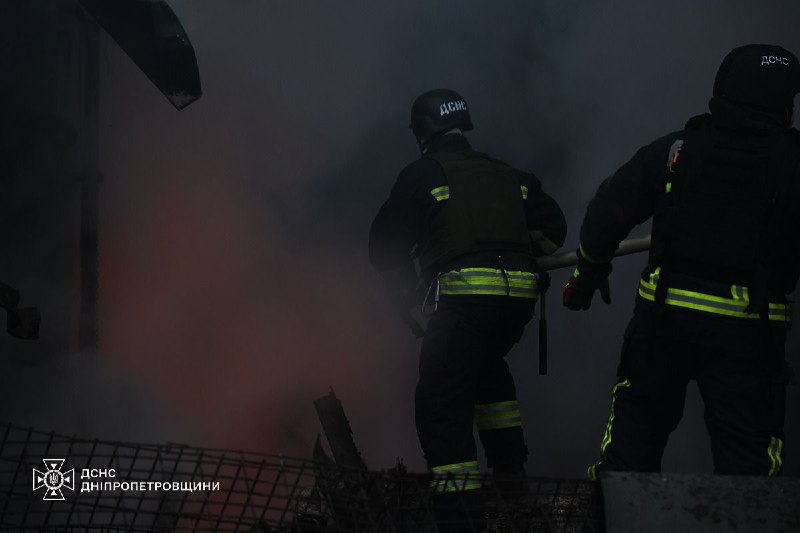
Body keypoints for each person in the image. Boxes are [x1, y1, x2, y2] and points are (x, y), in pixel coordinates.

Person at [563, 44, 800, 479]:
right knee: (749, 470)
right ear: (784, 105)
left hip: (662, 324)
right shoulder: (793, 162)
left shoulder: (676, 150)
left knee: (631, 449)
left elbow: (607, 211)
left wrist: (590, 270)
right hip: (749, 335)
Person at [369, 89, 566, 529]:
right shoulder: (507, 173)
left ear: (421, 133)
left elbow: (383, 246)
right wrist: (521, 256)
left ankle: (461, 519)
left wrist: (410, 291)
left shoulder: (422, 174)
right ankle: (513, 490)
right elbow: (555, 228)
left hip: (463, 304)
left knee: (441, 405)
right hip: (516, 305)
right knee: (488, 377)